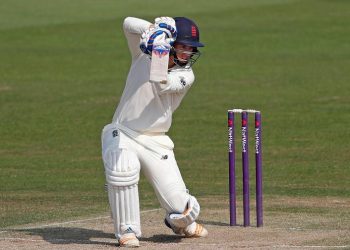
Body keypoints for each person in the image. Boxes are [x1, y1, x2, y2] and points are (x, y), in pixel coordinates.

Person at [101, 16, 207, 247]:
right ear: (171, 43)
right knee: (123, 168)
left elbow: (159, 82)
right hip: (124, 132)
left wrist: (160, 48)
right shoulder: (141, 56)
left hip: (156, 141)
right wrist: (154, 30)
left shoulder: (186, 75)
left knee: (183, 210)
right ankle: (127, 230)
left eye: (191, 48)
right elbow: (128, 23)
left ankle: (180, 224)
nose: (188, 53)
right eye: (184, 46)